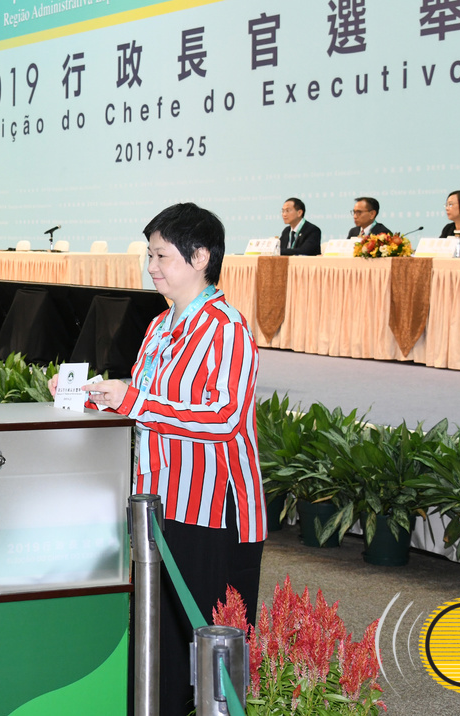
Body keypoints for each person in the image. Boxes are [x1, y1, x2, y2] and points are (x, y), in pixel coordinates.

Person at [50, 203, 265, 716]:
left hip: (212, 510)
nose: (151, 267)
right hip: (159, 502)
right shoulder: (160, 326)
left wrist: (133, 399)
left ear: (201, 257)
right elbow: (145, 404)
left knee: (204, 650)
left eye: (161, 255)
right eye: (149, 255)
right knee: (161, 639)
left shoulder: (226, 328)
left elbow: (224, 417)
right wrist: (88, 397)